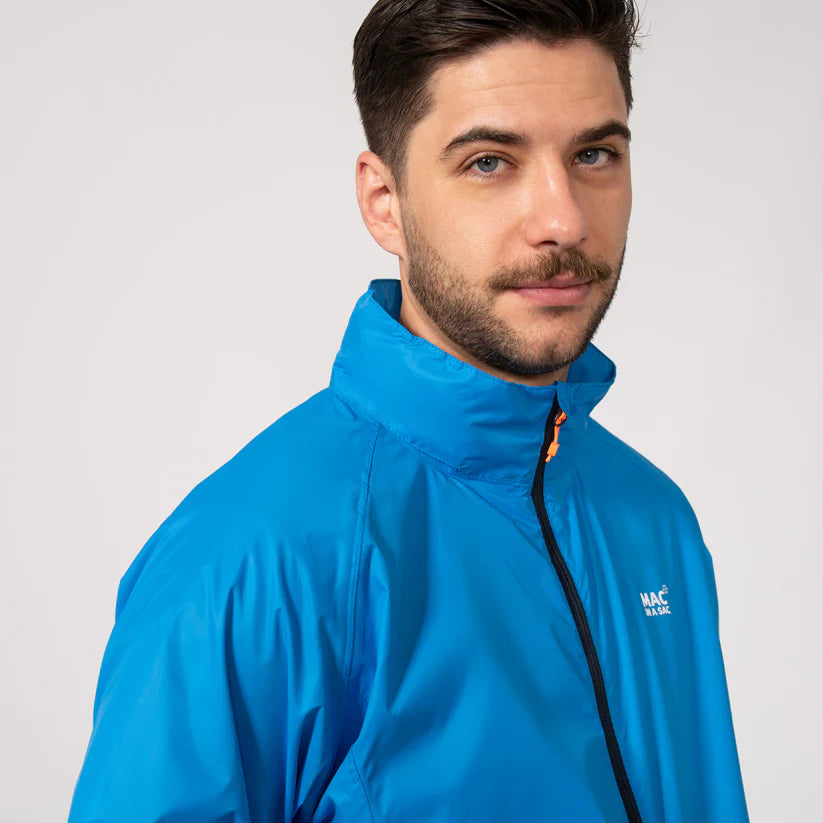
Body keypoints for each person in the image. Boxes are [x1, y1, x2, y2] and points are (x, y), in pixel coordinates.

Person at [69, 1, 749, 821]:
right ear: (384, 201)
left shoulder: (652, 517)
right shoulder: (251, 557)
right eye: (489, 162)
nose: (563, 219)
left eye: (594, 154)